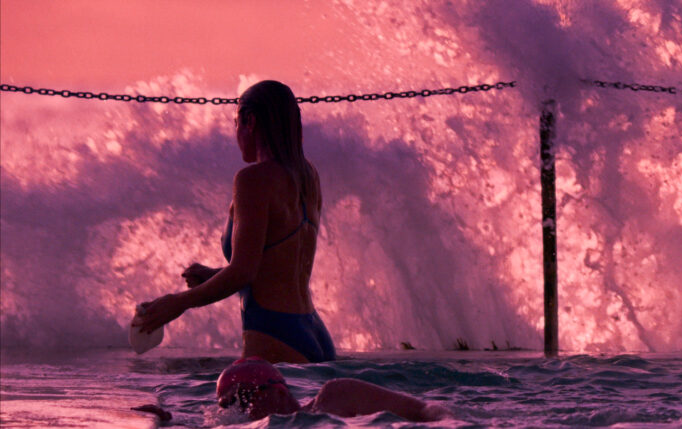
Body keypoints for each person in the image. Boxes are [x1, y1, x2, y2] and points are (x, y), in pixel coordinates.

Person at [133, 80, 336, 363]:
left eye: (236, 122)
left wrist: (177, 303)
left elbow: (243, 273)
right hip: (313, 332)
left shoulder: (252, 180)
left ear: (250, 121)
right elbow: (274, 266)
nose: (236, 133)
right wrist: (215, 274)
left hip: (273, 332)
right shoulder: (307, 175)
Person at [215, 357, 451, 421]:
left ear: (279, 392)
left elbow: (426, 410)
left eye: (244, 397)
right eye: (229, 405)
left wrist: (452, 424)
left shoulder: (336, 396)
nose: (240, 410)